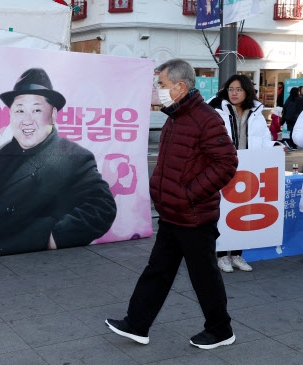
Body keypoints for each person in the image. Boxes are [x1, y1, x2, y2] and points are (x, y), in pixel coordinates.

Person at [105, 59, 238, 350]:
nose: (158, 89)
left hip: (193, 215)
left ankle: (221, 330)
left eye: (162, 84)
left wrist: (190, 193)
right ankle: (137, 324)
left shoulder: (206, 118)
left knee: (203, 276)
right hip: (172, 213)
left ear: (180, 86)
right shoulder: (176, 116)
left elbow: (227, 163)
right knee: (158, 270)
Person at [0, 68, 117, 261]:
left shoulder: (73, 156)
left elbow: (101, 208)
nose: (27, 120)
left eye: (36, 110)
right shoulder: (2, 153)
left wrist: (49, 238)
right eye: (19, 110)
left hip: (30, 262)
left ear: (53, 114)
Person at [209, 74, 285, 273]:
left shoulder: (256, 112)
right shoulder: (215, 108)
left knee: (243, 209)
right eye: (231, 89)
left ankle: (236, 254)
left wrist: (275, 146)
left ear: (247, 91)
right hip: (222, 167)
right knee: (223, 210)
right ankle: (220, 255)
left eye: (239, 89)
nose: (234, 93)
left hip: (248, 168)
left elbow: (262, 139)